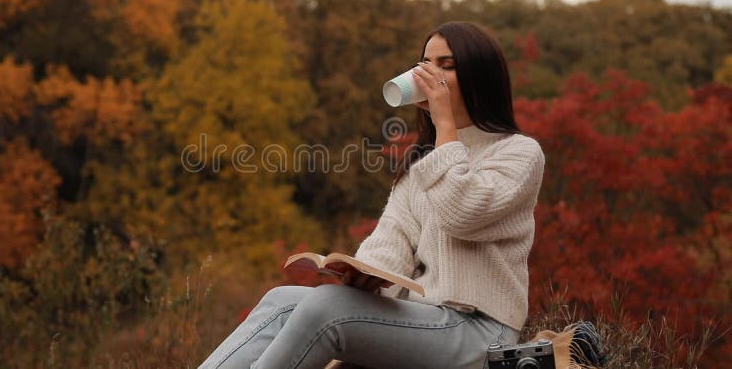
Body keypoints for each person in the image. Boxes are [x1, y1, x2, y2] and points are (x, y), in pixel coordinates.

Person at [197, 21, 546, 369]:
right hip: (422, 320)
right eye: (426, 63)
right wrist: (364, 276)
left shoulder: (518, 153)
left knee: (325, 308)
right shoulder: (421, 164)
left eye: (447, 65)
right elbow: (390, 244)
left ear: (479, 76)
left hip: (479, 332)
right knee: (282, 300)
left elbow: (464, 213)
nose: (430, 74)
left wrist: (444, 126)